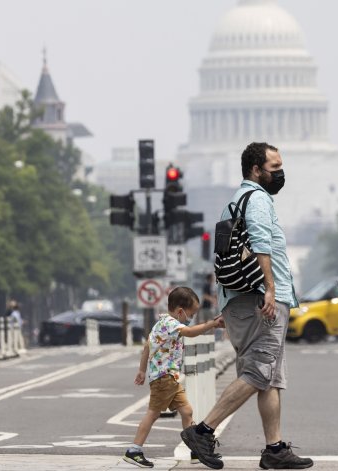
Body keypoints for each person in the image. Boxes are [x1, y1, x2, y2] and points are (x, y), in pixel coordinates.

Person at [180, 142, 313, 470]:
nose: (280, 173)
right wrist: (269, 288)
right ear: (256, 170)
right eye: (274, 167)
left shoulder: (236, 201)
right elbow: (260, 243)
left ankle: (275, 449)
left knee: (270, 377)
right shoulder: (256, 199)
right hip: (259, 300)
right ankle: (203, 430)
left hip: (243, 299)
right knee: (258, 372)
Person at [123, 287, 224, 468]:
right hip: (163, 378)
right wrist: (212, 324)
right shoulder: (171, 324)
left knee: (187, 411)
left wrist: (142, 370)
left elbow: (147, 346)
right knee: (153, 414)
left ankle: (196, 451)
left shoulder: (160, 323)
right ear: (180, 311)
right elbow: (191, 333)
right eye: (190, 314)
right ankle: (134, 450)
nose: (190, 319)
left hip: (170, 378)